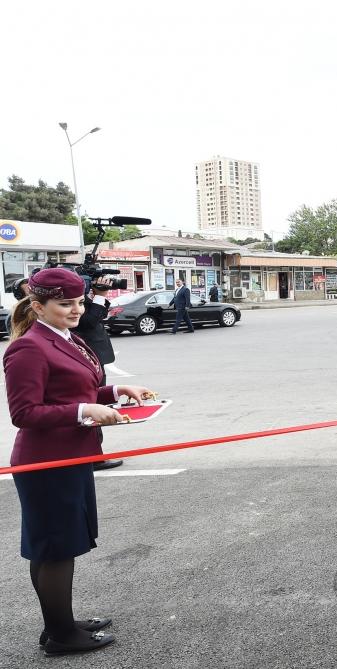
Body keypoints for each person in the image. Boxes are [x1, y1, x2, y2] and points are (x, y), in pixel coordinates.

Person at [4, 268, 151, 657]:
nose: (75, 309)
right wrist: (84, 409)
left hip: (73, 454)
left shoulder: (69, 338)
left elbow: (77, 389)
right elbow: (24, 413)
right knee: (55, 547)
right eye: (64, 303)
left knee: (53, 544)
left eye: (80, 302)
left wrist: (115, 390)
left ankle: (59, 621)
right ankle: (61, 635)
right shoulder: (28, 347)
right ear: (38, 306)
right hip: (46, 461)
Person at [71, 277, 124, 471]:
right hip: (87, 358)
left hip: (92, 357)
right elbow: (89, 321)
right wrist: (100, 295)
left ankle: (93, 454)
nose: (75, 309)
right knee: (92, 407)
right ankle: (93, 456)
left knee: (95, 404)